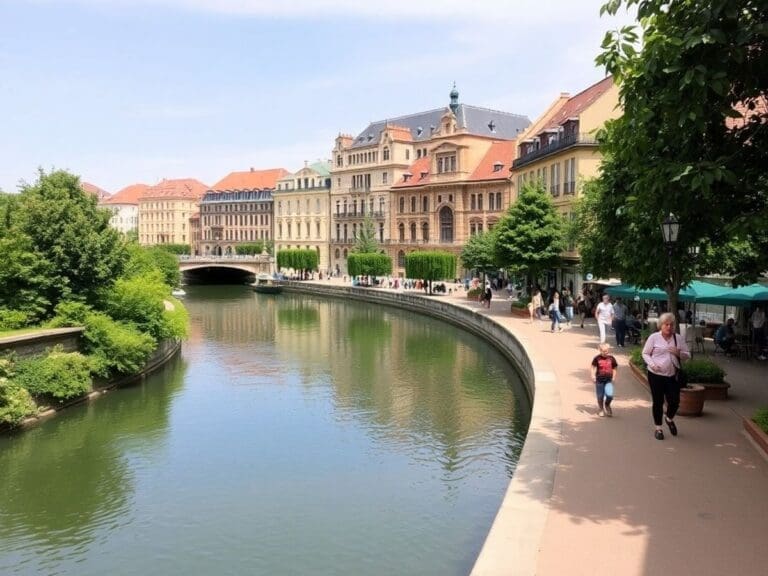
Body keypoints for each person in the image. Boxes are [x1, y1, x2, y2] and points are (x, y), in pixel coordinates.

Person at [642, 312, 690, 440]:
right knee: (657, 402)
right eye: (666, 324)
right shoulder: (654, 337)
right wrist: (652, 364)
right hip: (655, 375)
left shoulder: (678, 338)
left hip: (672, 376)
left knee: (674, 401)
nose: (669, 327)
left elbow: (687, 355)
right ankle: (658, 428)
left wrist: (678, 352)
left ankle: (669, 418)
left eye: (671, 324)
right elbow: (645, 353)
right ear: (661, 325)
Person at [591, 342, 618, 416]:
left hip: (608, 380)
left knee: (610, 395)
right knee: (600, 396)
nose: (606, 352)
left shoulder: (611, 358)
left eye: (607, 351)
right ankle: (601, 409)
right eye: (604, 351)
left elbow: (615, 368)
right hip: (599, 380)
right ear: (600, 350)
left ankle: (607, 405)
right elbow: (593, 366)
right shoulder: (597, 358)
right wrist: (593, 376)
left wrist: (614, 377)